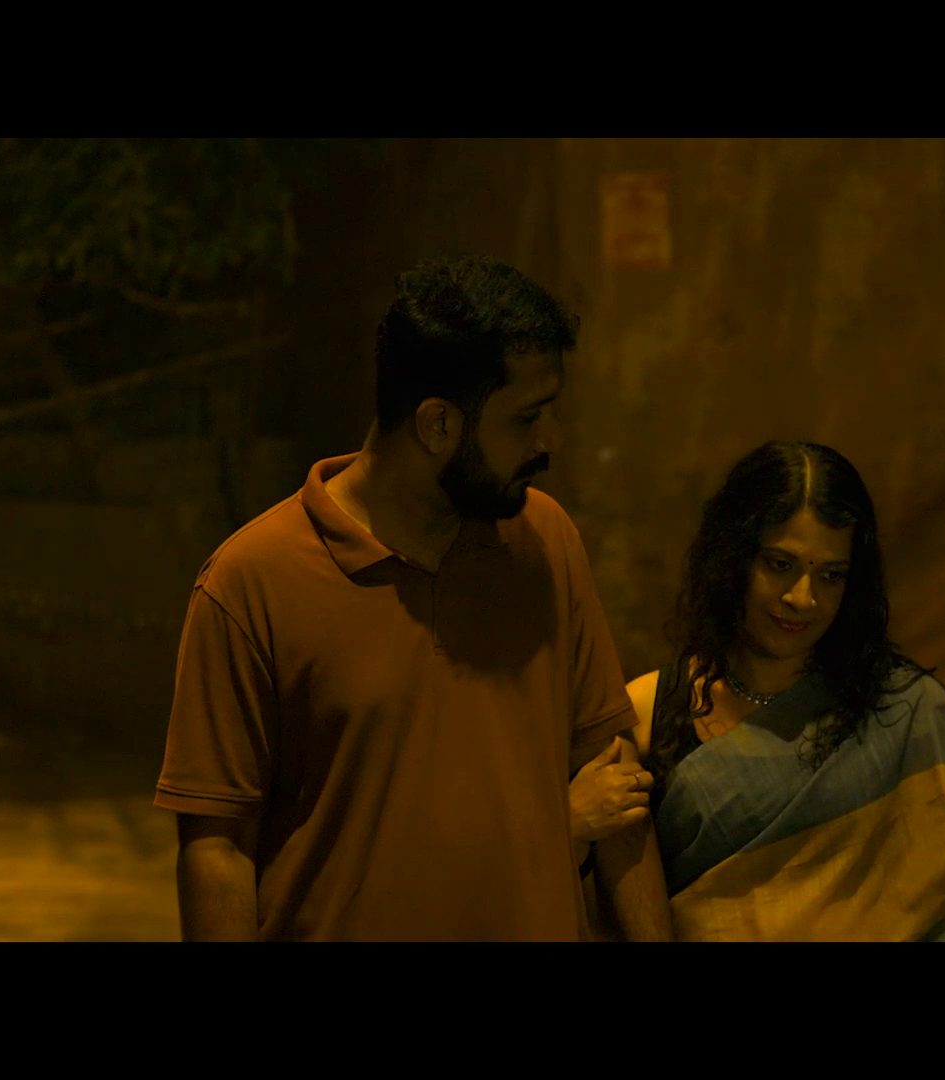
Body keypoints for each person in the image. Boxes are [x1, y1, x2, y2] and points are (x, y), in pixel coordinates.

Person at [155, 255, 673, 941]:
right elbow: (218, 849)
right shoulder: (251, 581)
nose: (551, 440)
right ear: (437, 426)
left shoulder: (545, 542)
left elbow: (616, 788)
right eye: (527, 418)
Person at [623, 440, 945, 941]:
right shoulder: (646, 717)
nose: (803, 599)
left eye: (830, 575)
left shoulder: (909, 717)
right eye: (780, 565)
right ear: (732, 559)